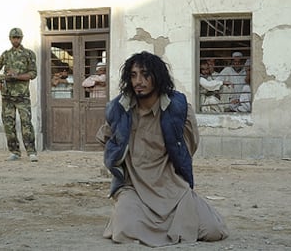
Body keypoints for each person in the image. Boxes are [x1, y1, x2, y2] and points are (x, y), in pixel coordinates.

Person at [96, 51, 228, 247]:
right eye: (133, 75)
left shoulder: (178, 109)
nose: (138, 81)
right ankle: (124, 212)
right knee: (125, 229)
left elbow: (189, 147)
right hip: (133, 188)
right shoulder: (120, 109)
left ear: (157, 77)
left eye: (145, 74)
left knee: (213, 231)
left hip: (171, 187)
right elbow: (105, 139)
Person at [0, 28, 38, 162]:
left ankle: (31, 152)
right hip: (7, 96)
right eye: (13, 38)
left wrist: (17, 76)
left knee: (26, 124)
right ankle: (14, 152)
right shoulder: (6, 55)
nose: (15, 40)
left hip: (22, 96)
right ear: (10, 39)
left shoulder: (29, 54)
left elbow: (33, 73)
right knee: (8, 124)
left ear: (21, 38)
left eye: (18, 38)